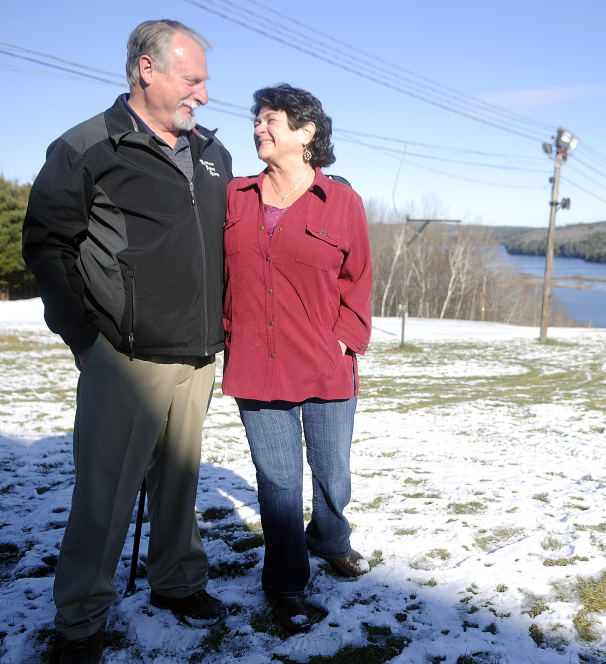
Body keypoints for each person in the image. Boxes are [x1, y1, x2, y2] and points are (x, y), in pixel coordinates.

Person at [22, 20, 232, 664]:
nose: (204, 92)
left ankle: (176, 583)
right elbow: (46, 242)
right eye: (192, 77)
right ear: (148, 69)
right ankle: (81, 620)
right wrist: (84, 338)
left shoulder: (212, 153)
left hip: (196, 353)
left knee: (181, 481)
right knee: (105, 494)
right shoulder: (88, 147)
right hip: (124, 356)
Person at [222, 84, 373, 633]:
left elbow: (358, 280)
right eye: (257, 120)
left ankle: (330, 538)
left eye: (272, 120)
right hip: (256, 364)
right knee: (278, 483)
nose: (260, 128)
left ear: (307, 132)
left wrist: (343, 339)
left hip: (326, 362)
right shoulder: (235, 197)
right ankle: (286, 582)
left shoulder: (343, 202)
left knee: (332, 473)